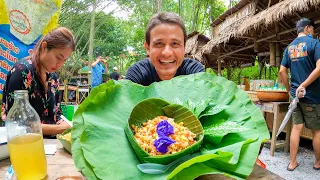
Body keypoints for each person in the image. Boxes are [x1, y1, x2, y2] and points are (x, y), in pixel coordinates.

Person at [2, 27, 75, 136]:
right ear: (44, 46)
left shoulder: (53, 78)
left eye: (64, 60)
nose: (60, 64)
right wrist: (58, 129)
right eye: (58, 57)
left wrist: (68, 124)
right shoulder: (21, 71)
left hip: (51, 145)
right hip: (24, 144)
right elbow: (16, 123)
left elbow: (57, 114)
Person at [279, 17, 320, 171]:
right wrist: (304, 85)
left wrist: (290, 89)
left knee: (296, 128)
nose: (313, 33)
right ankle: (317, 163)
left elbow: (282, 71)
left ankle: (292, 162)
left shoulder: (289, 48)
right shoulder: (314, 44)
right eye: (313, 30)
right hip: (312, 96)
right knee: (317, 130)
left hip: (295, 96)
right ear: (308, 28)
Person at [125, 12, 204, 86]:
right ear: (148, 48)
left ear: (184, 47)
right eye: (159, 44)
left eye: (175, 43)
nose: (167, 53)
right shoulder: (138, 73)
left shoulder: (194, 70)